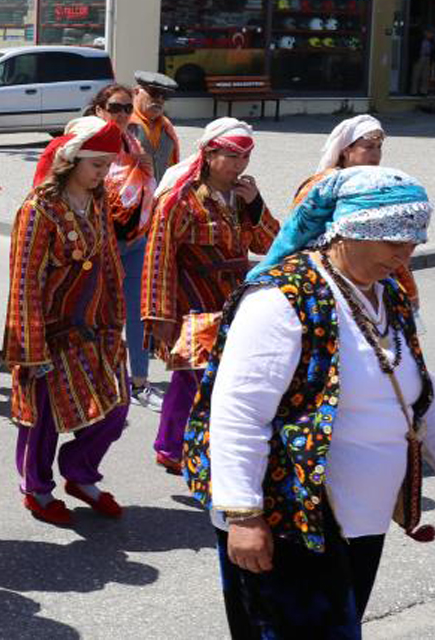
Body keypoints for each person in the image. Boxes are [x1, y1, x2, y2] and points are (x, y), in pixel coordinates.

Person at [185, 166, 435, 637]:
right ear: (350, 232)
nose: (405, 255)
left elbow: (422, 394)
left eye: (413, 243)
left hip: (359, 517)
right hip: (291, 518)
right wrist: (244, 514)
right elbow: (239, 412)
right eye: (394, 242)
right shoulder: (283, 299)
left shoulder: (387, 295)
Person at [6, 117, 130, 525]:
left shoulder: (96, 202)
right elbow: (25, 280)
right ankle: (37, 490)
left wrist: (115, 320)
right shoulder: (39, 208)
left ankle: (79, 473)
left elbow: (110, 262)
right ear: (73, 160)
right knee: (42, 420)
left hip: (92, 327)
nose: (104, 173)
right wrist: (30, 347)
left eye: (108, 164)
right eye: (97, 164)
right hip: (49, 332)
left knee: (115, 407)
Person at [142, 118, 279, 475]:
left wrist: (257, 206)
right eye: (231, 156)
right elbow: (159, 255)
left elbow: (271, 245)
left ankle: (195, 443)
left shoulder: (242, 197)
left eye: (245, 157)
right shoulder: (181, 201)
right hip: (193, 301)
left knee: (221, 377)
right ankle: (172, 446)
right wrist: (158, 312)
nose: (239, 165)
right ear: (208, 154)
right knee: (194, 376)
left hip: (234, 301)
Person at [88, 83, 165, 413]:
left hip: (135, 240)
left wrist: (147, 171)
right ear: (99, 111)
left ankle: (139, 381)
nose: (121, 114)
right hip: (98, 246)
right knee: (96, 313)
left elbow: (152, 190)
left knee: (136, 312)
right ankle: (94, 377)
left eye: (126, 108)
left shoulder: (133, 143)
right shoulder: (87, 145)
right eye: (115, 107)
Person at [294, 115, 420, 308]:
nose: (376, 154)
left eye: (379, 148)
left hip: (380, 270)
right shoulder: (322, 185)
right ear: (346, 150)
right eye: (368, 147)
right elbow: (298, 230)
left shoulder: (382, 183)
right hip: (332, 273)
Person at [123, 71, 182, 410]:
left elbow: (172, 177)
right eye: (151, 94)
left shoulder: (169, 131)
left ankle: (139, 380)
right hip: (118, 226)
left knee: (138, 307)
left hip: (150, 228)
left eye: (163, 97)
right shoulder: (126, 126)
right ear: (137, 92)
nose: (158, 102)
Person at [411, 30, 435, 96]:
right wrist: (415, 58)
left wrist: (433, 60)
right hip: (420, 57)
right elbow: (414, 48)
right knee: (416, 75)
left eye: (432, 34)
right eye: (430, 34)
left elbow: (434, 50)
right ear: (426, 33)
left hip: (428, 58)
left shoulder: (432, 42)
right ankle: (414, 91)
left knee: (425, 76)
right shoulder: (419, 40)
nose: (431, 35)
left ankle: (423, 91)